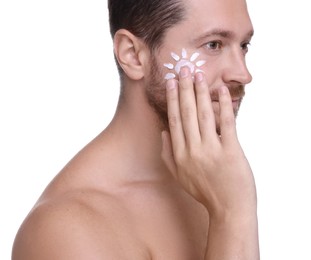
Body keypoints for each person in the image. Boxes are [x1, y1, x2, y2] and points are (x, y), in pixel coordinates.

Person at [12, 0, 259, 259]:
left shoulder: (214, 181)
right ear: (132, 55)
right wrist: (232, 216)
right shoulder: (66, 231)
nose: (242, 73)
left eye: (244, 46)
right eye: (213, 45)